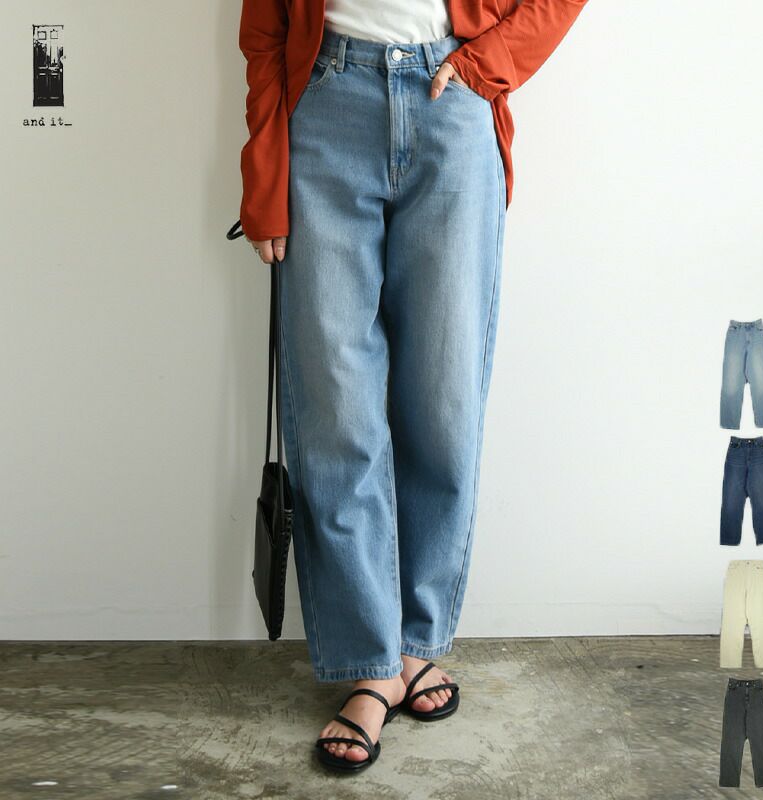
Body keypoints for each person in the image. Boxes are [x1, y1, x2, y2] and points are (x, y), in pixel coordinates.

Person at [237, 0, 590, 772]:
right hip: (325, 104)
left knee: (444, 400)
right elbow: (264, 30)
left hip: (451, 106)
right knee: (335, 412)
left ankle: (416, 643)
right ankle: (369, 663)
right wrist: (264, 173)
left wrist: (483, 66)